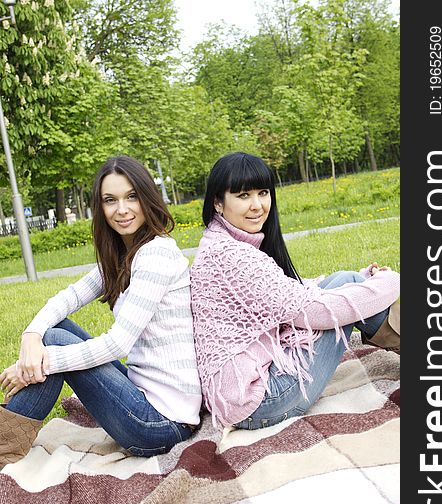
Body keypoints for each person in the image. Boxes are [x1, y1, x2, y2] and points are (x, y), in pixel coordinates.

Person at [0, 155, 202, 468]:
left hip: (161, 425)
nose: (122, 209)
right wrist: (32, 335)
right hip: (141, 395)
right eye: (110, 200)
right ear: (101, 206)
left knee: (55, 344)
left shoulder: (156, 254)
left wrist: (36, 365)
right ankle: (6, 439)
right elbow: (70, 296)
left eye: (131, 197)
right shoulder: (124, 252)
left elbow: (118, 344)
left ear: (147, 197)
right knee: (55, 332)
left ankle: (3, 444)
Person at [190, 151, 400, 430]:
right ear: (218, 202)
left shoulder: (219, 244)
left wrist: (363, 280)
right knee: (344, 297)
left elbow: (286, 293)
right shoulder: (232, 257)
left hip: (240, 393)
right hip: (260, 401)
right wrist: (391, 281)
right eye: (243, 196)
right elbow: (317, 313)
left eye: (263, 193)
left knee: (346, 280)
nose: (257, 205)